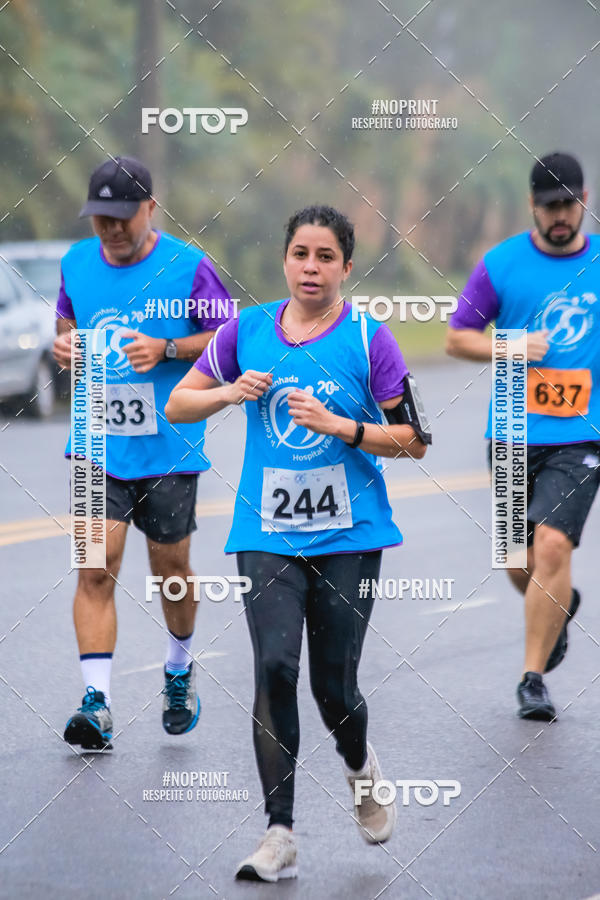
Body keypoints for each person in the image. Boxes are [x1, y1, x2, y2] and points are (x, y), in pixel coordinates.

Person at [166, 204, 430, 881]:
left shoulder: (371, 339)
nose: (310, 267)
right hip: (267, 533)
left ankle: (359, 767)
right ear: (285, 260)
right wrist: (227, 391)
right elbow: (178, 405)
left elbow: (413, 441)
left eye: (325, 257)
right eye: (300, 254)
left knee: (332, 687)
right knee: (274, 668)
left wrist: (343, 426)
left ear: (346, 266)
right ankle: (279, 833)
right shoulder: (245, 332)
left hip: (350, 533)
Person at [53, 156, 235, 749]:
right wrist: (65, 348)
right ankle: (97, 702)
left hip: (168, 449)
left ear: (150, 209)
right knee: (95, 565)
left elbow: (227, 340)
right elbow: (67, 325)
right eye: (101, 218)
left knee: (171, 573)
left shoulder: (189, 267)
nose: (112, 229)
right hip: (95, 443)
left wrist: (169, 348)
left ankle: (178, 671)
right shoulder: (75, 263)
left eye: (123, 217)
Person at [446, 151, 600, 721]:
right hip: (511, 431)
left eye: (570, 204)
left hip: (582, 436)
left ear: (584, 199)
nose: (561, 216)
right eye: (549, 206)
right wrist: (507, 346)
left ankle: (532, 678)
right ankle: (557, 607)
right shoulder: (501, 265)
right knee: (518, 561)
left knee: (554, 545)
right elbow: (457, 338)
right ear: (532, 207)